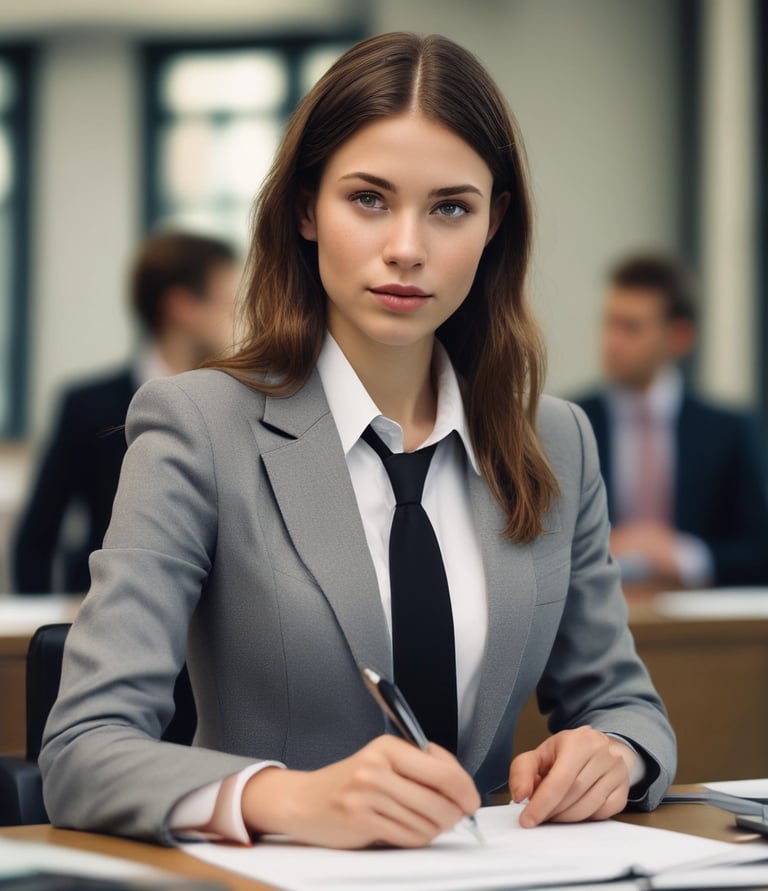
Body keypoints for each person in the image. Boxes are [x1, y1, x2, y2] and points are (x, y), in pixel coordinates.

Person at [40, 33, 675, 850]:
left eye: (451, 206)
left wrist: (614, 752)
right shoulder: (197, 426)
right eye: (368, 199)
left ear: (493, 224)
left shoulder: (555, 437)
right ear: (306, 207)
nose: (407, 247)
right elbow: (83, 749)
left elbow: (627, 706)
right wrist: (290, 799)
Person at [12, 231, 239, 594]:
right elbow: (37, 539)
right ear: (182, 306)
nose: (238, 320)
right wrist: (48, 633)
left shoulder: (237, 403)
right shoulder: (88, 406)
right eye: (229, 305)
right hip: (100, 610)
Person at [576, 255, 768, 588]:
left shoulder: (727, 431)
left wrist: (684, 555)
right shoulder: (569, 423)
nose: (613, 342)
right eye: (610, 323)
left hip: (694, 628)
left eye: (631, 328)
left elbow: (759, 552)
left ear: (678, 337)